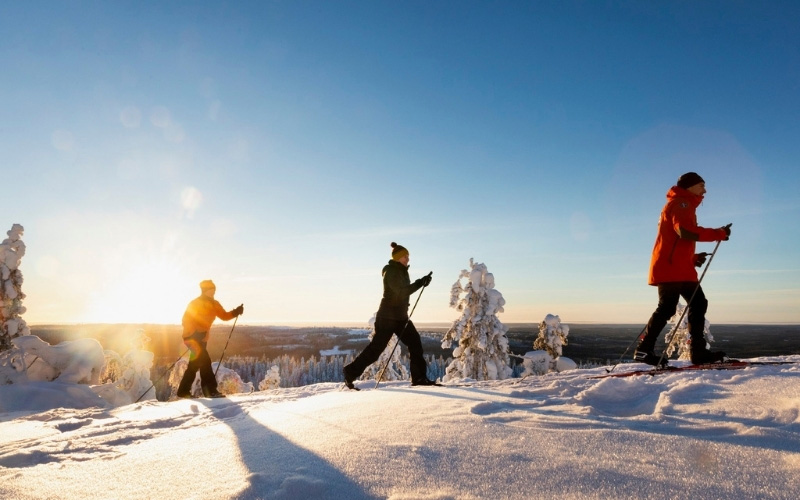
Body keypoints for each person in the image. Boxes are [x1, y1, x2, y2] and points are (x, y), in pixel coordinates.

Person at [634, 172, 731, 366]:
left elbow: (676, 239)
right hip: (671, 268)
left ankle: (698, 352)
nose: (705, 189)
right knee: (669, 306)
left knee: (698, 303)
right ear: (690, 187)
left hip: (680, 267)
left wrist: (692, 258)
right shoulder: (681, 204)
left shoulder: (683, 205)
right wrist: (718, 233)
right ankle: (644, 350)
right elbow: (685, 232)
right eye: (701, 185)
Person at [343, 242, 435, 389]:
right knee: (376, 350)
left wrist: (422, 282)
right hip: (387, 317)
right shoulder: (391, 271)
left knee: (415, 343)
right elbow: (400, 292)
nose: (408, 259)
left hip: (400, 317)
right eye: (405, 256)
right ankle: (349, 372)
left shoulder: (401, 271)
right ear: (398, 257)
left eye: (408, 256)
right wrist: (420, 282)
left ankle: (419, 378)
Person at [177, 280, 243, 398]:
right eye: (210, 290)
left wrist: (235, 312)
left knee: (195, 364)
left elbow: (224, 316)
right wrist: (194, 332)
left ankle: (183, 391)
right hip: (191, 337)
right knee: (205, 362)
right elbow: (186, 320)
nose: (212, 292)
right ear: (204, 291)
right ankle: (210, 391)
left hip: (202, 338)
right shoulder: (195, 303)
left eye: (214, 290)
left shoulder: (214, 304)